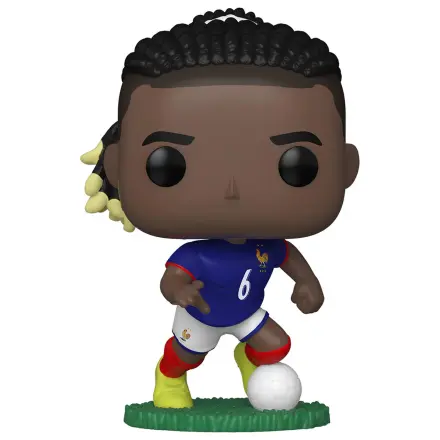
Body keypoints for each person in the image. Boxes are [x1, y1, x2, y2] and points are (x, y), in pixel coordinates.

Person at [80, 8, 359, 409]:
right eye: (168, 166)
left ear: (345, 168)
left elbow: (288, 257)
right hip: (202, 314)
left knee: (277, 345)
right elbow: (171, 279)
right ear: (117, 168)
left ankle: (248, 359)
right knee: (187, 356)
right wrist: (179, 291)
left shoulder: (268, 247)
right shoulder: (197, 255)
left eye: (297, 165)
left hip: (246, 312)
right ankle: (168, 377)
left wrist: (307, 282)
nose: (232, 191)